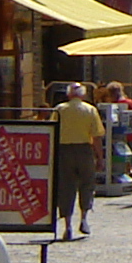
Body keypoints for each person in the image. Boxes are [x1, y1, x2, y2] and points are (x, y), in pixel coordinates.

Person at [53, 84, 104, 239]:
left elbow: (52, 130)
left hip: (63, 150)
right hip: (84, 150)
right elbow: (96, 136)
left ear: (68, 95)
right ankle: (84, 218)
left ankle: (67, 225)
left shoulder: (59, 110)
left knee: (66, 186)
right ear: (82, 96)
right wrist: (99, 157)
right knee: (87, 183)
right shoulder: (90, 110)